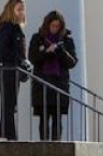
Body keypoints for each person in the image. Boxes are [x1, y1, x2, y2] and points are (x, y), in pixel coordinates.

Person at [28, 11, 78, 141]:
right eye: (53, 26)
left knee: (57, 119)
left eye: (58, 26)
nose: (55, 29)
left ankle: (57, 147)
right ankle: (43, 147)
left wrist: (61, 52)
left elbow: (72, 62)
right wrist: (46, 52)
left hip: (59, 86)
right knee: (43, 119)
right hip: (42, 86)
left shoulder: (67, 41)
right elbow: (32, 58)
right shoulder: (37, 38)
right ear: (47, 25)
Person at [0, 0, 29, 140]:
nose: (22, 12)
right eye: (19, 9)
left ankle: (8, 138)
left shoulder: (15, 28)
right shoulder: (6, 27)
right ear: (11, 10)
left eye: (23, 9)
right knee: (8, 106)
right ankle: (8, 138)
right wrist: (21, 60)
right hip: (6, 71)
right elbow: (1, 52)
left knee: (10, 106)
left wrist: (23, 62)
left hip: (13, 72)